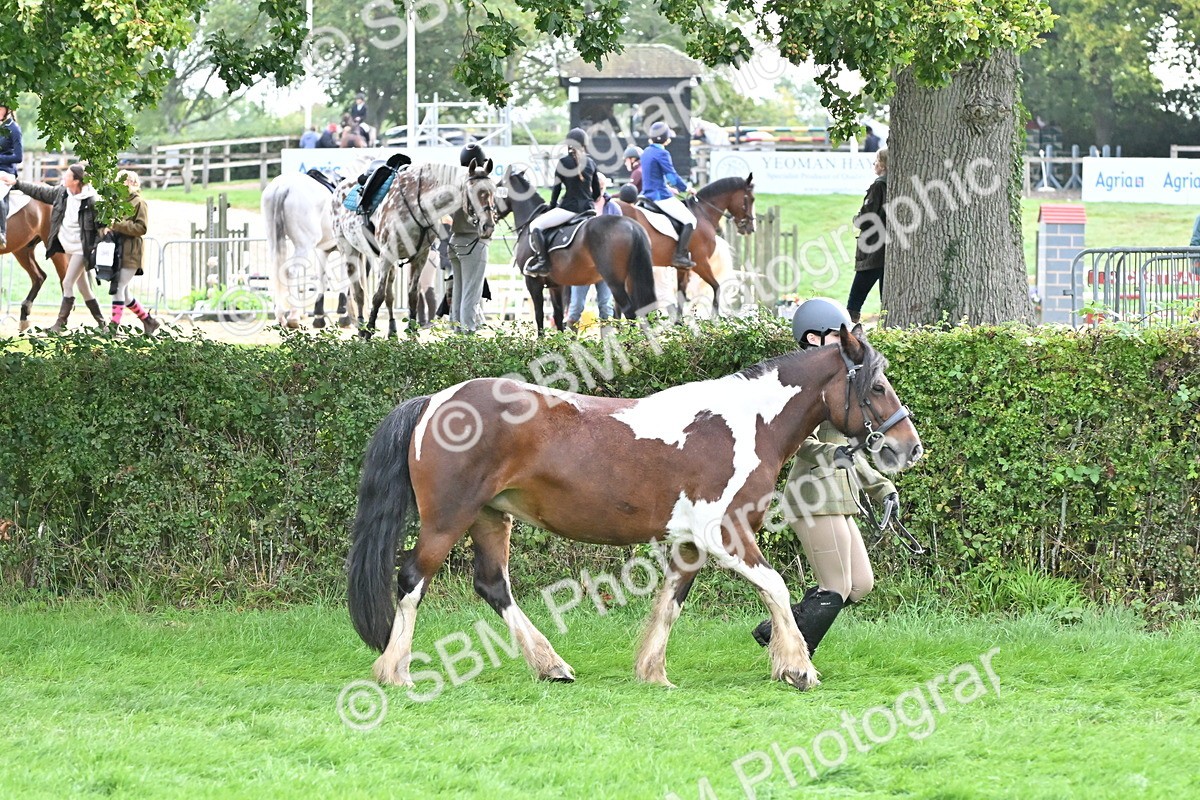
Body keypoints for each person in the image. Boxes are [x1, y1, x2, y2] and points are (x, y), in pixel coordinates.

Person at [750, 297, 899, 656]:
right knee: (834, 587)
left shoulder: (840, 384)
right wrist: (837, 453)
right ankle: (796, 655)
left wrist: (882, 488)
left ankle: (776, 629)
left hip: (841, 496)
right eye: (837, 334)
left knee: (859, 586)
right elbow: (801, 444)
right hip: (813, 494)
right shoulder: (804, 388)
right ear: (813, 338)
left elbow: (851, 455)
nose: (845, 341)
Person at [0, 163, 106, 331]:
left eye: (67, 175)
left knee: (68, 282)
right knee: (84, 289)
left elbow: (102, 224)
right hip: (67, 245)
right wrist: (17, 184)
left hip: (80, 248)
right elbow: (40, 192)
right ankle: (103, 325)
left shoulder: (90, 200)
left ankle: (60, 324)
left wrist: (95, 245)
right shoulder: (62, 193)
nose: (63, 177)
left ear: (76, 181)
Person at [525, 127, 600, 277]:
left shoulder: (563, 162)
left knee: (536, 225)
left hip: (570, 209)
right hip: (589, 209)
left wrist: (552, 206)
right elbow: (597, 192)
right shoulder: (591, 163)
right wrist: (589, 200)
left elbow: (557, 189)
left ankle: (542, 262)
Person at [105, 170, 159, 335]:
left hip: (131, 252)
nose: (120, 185)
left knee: (118, 287)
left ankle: (114, 326)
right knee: (125, 293)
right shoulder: (118, 203)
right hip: (117, 251)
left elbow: (141, 228)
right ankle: (149, 321)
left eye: (123, 181)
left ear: (132, 182)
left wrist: (117, 224)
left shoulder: (139, 203)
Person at [639, 121, 696, 268]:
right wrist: (686, 188)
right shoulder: (663, 153)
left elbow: (654, 175)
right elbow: (671, 176)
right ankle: (679, 256)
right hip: (659, 196)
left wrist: (670, 188)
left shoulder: (646, 152)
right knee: (691, 220)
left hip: (646, 194)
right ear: (667, 139)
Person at [566, 173, 619, 329]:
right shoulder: (580, 206)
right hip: (582, 264)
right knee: (576, 307)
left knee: (606, 306)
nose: (599, 190)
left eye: (602, 188)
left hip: (606, 264)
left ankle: (608, 344)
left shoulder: (613, 207)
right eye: (597, 187)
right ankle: (570, 343)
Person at [448, 144, 491, 333]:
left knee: (458, 293)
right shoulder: (480, 184)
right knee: (471, 295)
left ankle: (456, 335)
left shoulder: (455, 182)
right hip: (474, 243)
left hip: (455, 241)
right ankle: (468, 338)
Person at [846, 148, 887, 324]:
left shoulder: (878, 185)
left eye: (877, 160)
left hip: (873, 247)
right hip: (888, 247)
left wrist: (856, 219)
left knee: (854, 302)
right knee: (885, 300)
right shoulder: (894, 184)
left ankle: (847, 335)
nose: (874, 164)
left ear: (883, 164)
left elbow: (866, 218)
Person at [0, 103, 23, 249]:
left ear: (7, 110)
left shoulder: (14, 129)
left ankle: (1, 232)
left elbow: (18, 157)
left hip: (5, 171)